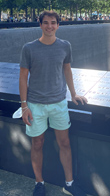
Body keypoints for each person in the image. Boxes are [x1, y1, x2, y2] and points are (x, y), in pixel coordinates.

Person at [19, 10, 88, 196]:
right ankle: (39, 183)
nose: (50, 26)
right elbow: (23, 77)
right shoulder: (29, 48)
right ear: (40, 25)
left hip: (59, 103)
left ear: (58, 25)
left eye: (53, 23)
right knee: (37, 143)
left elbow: (67, 70)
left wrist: (73, 94)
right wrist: (24, 106)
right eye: (46, 22)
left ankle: (69, 183)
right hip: (35, 104)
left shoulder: (65, 46)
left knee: (64, 142)